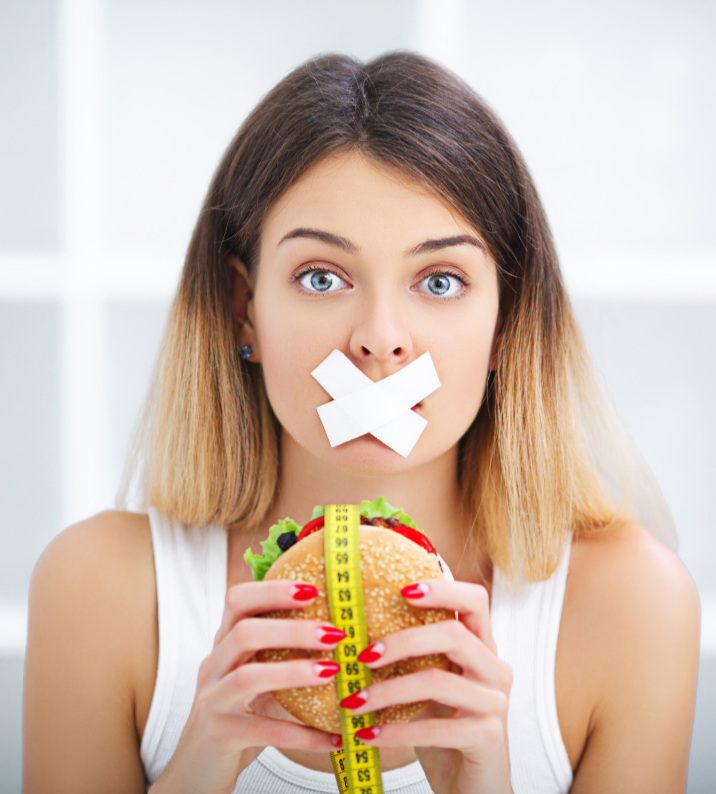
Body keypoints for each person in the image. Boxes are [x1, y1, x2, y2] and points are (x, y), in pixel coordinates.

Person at [23, 52, 700, 794]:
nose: (380, 339)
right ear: (244, 308)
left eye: (439, 281)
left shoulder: (628, 607)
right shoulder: (102, 593)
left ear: (507, 322)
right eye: (322, 278)